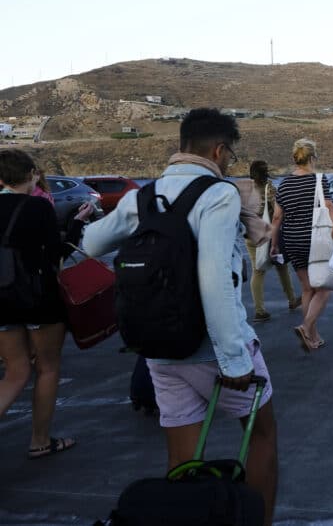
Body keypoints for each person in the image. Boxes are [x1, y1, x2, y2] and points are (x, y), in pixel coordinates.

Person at [81, 109, 278, 525]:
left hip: (159, 348)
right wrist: (235, 359)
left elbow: (94, 243)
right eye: (230, 156)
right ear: (219, 150)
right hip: (213, 348)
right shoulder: (218, 194)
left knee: (182, 456)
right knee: (260, 437)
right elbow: (214, 280)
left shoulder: (142, 197)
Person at [0, 149, 92, 460]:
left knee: (14, 372)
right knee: (47, 367)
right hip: (38, 299)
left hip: (2, 300)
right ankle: (40, 440)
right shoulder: (38, 206)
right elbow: (56, 254)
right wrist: (78, 225)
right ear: (31, 174)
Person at [271, 138, 333, 352]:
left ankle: (312, 337)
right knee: (325, 287)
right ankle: (306, 326)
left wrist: (275, 245)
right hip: (315, 240)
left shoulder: (284, 184)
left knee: (308, 288)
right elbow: (328, 206)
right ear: (312, 157)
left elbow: (276, 218)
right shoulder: (319, 179)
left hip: (291, 240)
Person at [245, 161, 298, 322]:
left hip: (251, 235)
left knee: (258, 271)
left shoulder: (245, 189)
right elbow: (277, 212)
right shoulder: (269, 189)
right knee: (282, 267)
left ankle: (259, 310)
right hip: (268, 234)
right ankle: (292, 300)